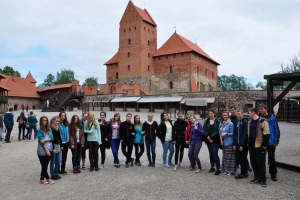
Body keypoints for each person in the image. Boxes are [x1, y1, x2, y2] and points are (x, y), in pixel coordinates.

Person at [248, 108, 270, 187]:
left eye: (249, 113)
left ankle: (263, 179)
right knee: (253, 162)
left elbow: (266, 134)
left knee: (260, 163)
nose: (248, 114)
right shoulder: (250, 122)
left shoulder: (263, 122)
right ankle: (256, 176)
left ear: (253, 113)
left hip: (259, 145)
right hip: (251, 145)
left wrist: (264, 145)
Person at [258, 103, 280, 181]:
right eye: (259, 109)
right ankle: (261, 173)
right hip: (261, 142)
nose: (260, 111)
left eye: (262, 109)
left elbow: (276, 129)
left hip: (270, 142)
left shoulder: (272, 118)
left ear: (266, 109)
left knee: (271, 158)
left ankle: (273, 173)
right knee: (261, 158)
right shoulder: (259, 118)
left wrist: (276, 140)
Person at [37, 116, 55, 184]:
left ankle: (41, 179)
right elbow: (41, 142)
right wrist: (47, 150)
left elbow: (52, 138)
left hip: (50, 148)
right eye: (43, 120)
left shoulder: (49, 129)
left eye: (45, 120)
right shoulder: (39, 130)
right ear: (41, 122)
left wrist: (45, 139)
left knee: (45, 166)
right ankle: (48, 179)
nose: (44, 122)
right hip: (43, 151)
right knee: (44, 166)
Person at [203, 109, 221, 175]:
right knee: (210, 153)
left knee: (214, 153)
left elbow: (218, 130)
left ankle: (218, 168)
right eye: (209, 113)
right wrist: (207, 136)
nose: (210, 114)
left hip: (215, 139)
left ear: (214, 113)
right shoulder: (207, 121)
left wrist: (211, 136)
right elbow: (204, 129)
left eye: (211, 113)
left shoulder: (218, 121)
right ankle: (212, 166)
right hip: (208, 139)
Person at [233, 109, 249, 179]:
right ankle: (244, 170)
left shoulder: (245, 122)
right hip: (237, 143)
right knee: (238, 158)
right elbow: (235, 133)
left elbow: (245, 134)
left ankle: (244, 173)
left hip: (243, 144)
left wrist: (242, 145)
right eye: (237, 114)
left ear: (242, 114)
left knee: (243, 159)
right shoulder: (236, 122)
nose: (238, 115)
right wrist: (234, 144)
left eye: (239, 114)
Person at [219, 111, 236, 175]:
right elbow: (220, 133)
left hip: (229, 142)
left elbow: (232, 133)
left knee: (230, 157)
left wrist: (226, 133)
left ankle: (231, 171)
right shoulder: (221, 123)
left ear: (228, 116)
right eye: (223, 115)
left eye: (226, 115)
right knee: (225, 157)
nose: (224, 116)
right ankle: (225, 169)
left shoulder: (230, 124)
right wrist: (221, 140)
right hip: (224, 142)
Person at [50, 116, 63, 181]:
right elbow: (51, 139)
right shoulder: (51, 128)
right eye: (56, 121)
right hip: (53, 145)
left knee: (58, 160)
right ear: (53, 121)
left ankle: (55, 172)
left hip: (58, 145)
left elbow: (59, 137)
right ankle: (52, 174)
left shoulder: (58, 127)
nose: (57, 122)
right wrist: (52, 148)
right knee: (53, 161)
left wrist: (61, 145)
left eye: (58, 121)